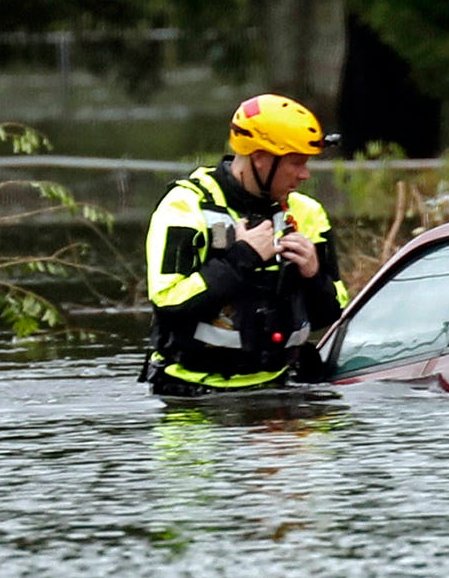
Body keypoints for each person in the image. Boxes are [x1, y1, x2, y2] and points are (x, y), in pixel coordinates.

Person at [140, 94, 350, 397]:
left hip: (281, 389)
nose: (305, 174)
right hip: (192, 396)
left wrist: (314, 276)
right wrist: (241, 258)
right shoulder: (185, 207)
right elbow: (169, 305)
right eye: (296, 163)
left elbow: (330, 314)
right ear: (260, 157)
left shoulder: (308, 213)